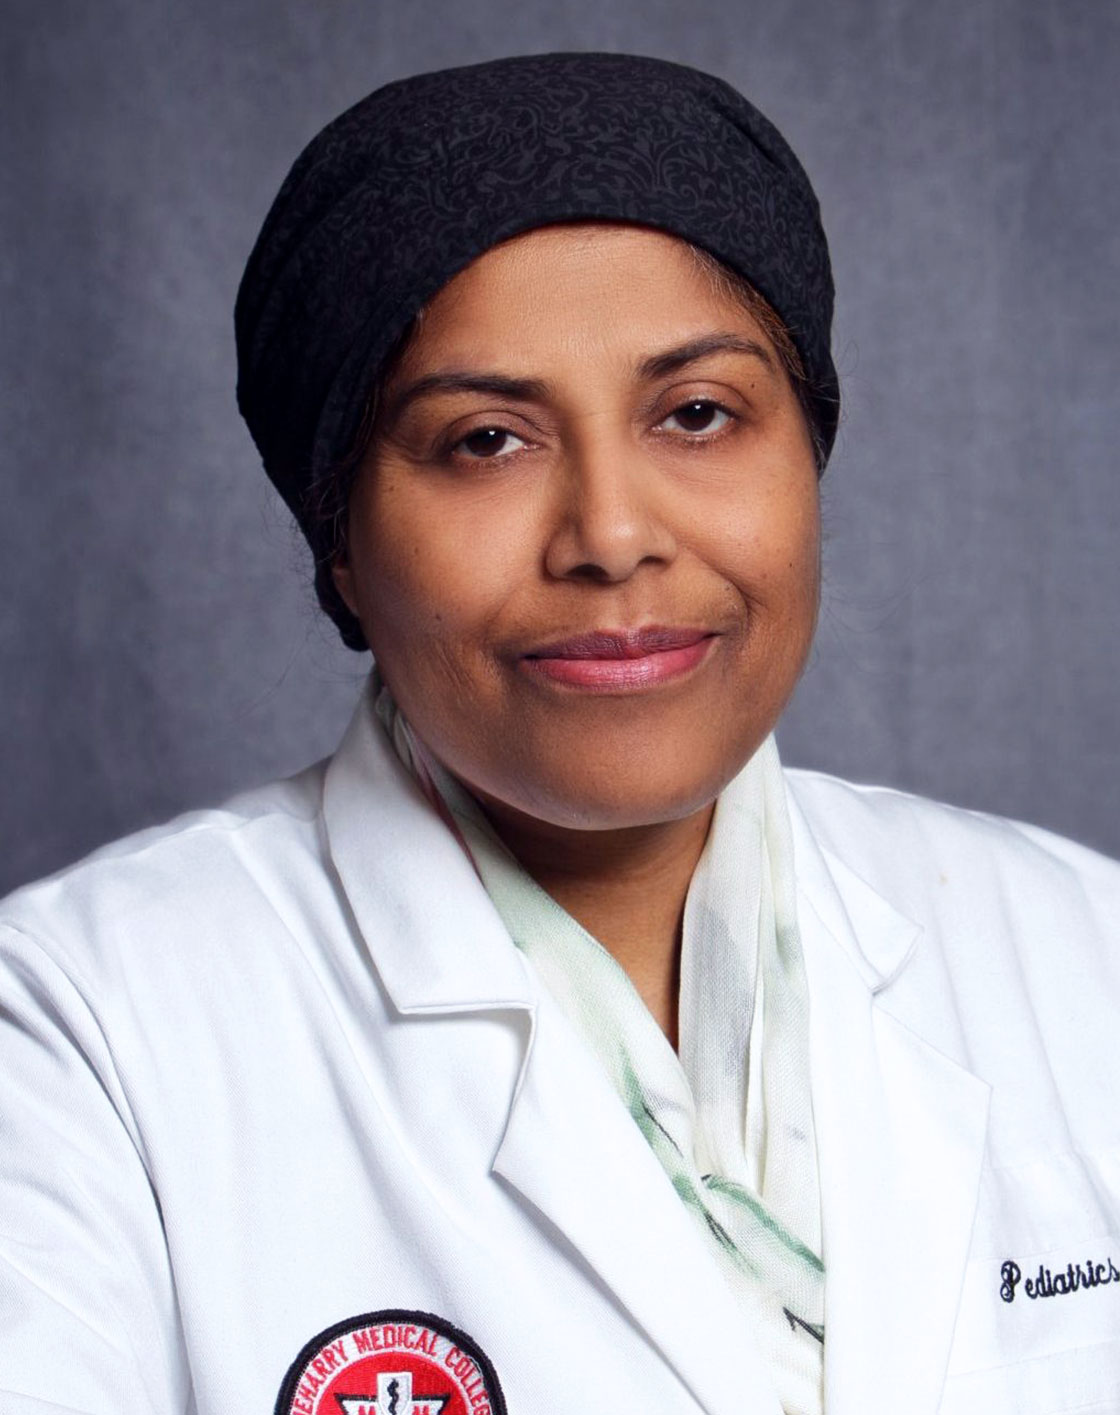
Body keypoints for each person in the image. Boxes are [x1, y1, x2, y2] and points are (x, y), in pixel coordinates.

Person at [1, 52, 1118, 1415]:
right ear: (340, 540)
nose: (612, 535)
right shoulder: (77, 1034)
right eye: (485, 440)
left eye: (697, 415)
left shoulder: (1082, 955)